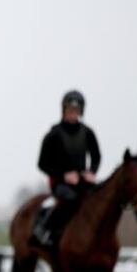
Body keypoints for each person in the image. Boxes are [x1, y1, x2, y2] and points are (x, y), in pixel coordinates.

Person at [31, 90, 101, 248]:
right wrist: (64, 176)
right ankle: (46, 230)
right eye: (70, 110)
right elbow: (42, 163)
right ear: (63, 110)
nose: (73, 114)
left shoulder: (87, 133)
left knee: (100, 198)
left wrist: (91, 172)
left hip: (82, 181)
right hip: (60, 182)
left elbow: (96, 156)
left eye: (76, 111)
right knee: (71, 198)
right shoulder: (53, 134)